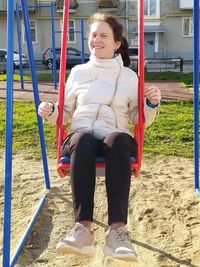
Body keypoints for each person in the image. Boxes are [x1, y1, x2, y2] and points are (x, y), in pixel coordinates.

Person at [38, 13, 161, 262]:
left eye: (103, 35)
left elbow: (139, 118)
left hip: (115, 135)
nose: (96, 40)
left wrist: (151, 103)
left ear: (117, 43)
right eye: (93, 35)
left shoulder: (128, 76)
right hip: (81, 134)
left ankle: (117, 232)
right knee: (83, 140)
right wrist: (51, 111)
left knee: (117, 139)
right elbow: (66, 113)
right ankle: (83, 230)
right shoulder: (78, 72)